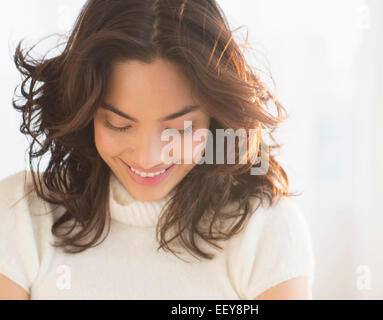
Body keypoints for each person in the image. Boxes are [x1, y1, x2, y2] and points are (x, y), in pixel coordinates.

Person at [0, 0, 315, 300]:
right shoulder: (21, 213)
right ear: (86, 114)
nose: (148, 158)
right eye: (118, 124)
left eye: (179, 129)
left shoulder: (264, 230)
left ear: (215, 118)